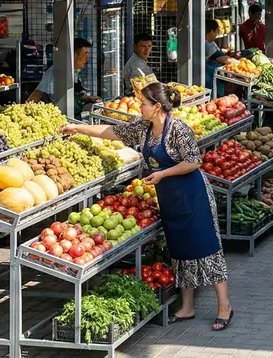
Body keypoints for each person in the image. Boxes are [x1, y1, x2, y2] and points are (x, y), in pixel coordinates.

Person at [60, 83, 234, 330]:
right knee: (179, 249)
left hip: (193, 196)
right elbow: (113, 131)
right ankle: (187, 307)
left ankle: (224, 306)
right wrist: (77, 127)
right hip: (169, 198)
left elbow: (194, 162)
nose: (139, 106)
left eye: (143, 103)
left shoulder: (178, 129)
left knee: (206, 246)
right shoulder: (144, 128)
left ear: (157, 107)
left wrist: (163, 174)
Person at [29, 37, 100, 119]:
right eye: (85, 54)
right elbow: (37, 94)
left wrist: (89, 98)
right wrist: (25, 112)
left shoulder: (74, 71)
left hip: (74, 115)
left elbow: (75, 92)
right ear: (74, 55)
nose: (87, 58)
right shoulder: (56, 72)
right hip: (60, 118)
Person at [120, 33, 155, 97]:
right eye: (143, 46)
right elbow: (140, 89)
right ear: (135, 47)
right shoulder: (136, 65)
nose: (147, 50)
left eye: (149, 46)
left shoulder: (140, 61)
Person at [204, 20, 235, 93]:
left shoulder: (210, 42)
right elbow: (222, 59)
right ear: (212, 31)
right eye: (216, 31)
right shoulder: (207, 44)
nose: (217, 34)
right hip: (210, 77)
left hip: (212, 75)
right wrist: (239, 62)